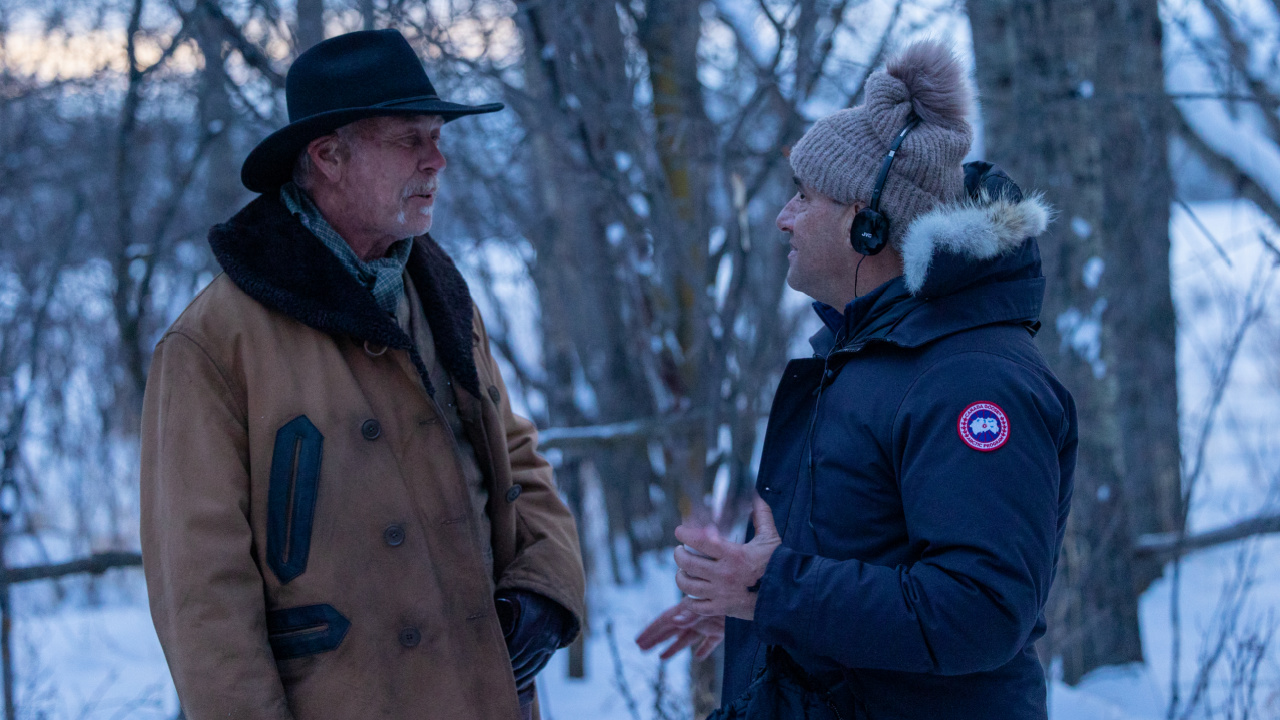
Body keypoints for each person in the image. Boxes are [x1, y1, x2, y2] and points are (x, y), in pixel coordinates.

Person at [140, 29, 585, 720]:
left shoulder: (440, 293)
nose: (437, 160)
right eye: (410, 138)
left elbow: (519, 458)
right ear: (328, 156)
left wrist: (545, 590)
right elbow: (203, 601)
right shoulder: (211, 345)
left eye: (438, 137)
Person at [637, 40, 1076, 719]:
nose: (784, 216)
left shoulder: (970, 382)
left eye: (802, 196)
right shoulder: (871, 357)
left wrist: (771, 588)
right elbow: (862, 566)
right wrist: (759, 615)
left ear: (864, 225)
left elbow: (979, 611)